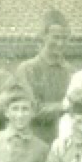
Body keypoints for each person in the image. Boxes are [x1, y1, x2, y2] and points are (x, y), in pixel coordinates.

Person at [14, 9, 73, 144]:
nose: (60, 43)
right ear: (44, 36)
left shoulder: (70, 71)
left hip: (64, 142)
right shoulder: (27, 69)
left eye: (64, 38)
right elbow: (32, 109)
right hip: (34, 142)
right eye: (56, 37)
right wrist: (64, 107)